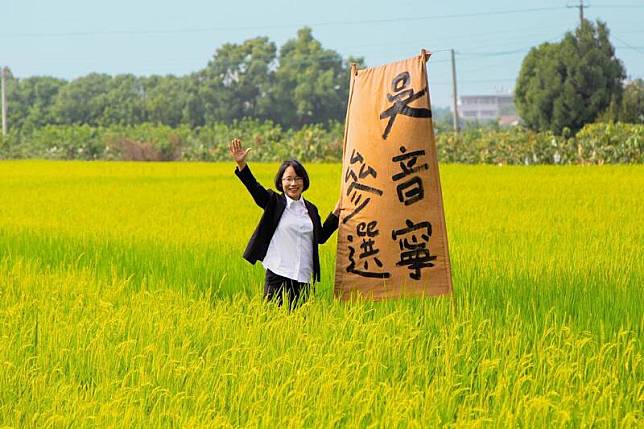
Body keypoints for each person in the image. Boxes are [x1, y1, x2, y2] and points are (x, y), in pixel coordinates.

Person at [229, 138, 341, 309]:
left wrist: (336, 213)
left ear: (304, 181)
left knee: (302, 327)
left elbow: (321, 237)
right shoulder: (274, 202)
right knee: (275, 326)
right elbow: (255, 189)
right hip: (278, 275)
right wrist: (242, 165)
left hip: (303, 279)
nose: (293, 184)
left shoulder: (311, 209)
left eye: (297, 179)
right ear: (281, 183)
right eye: (288, 179)